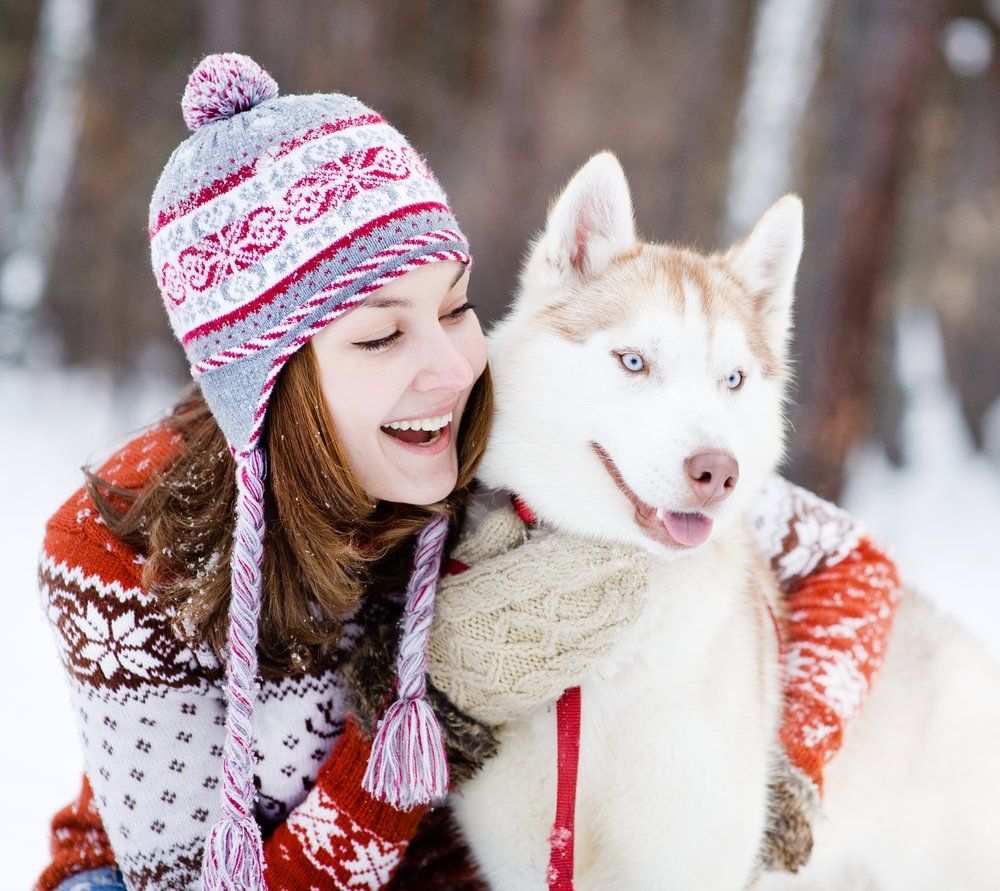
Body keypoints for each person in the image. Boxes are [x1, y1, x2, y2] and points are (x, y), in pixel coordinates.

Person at [35, 54, 900, 891]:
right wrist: (435, 701)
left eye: (455, 307)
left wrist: (781, 765)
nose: (451, 369)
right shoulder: (116, 550)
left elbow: (849, 562)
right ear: (268, 380)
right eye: (381, 335)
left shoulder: (501, 433)